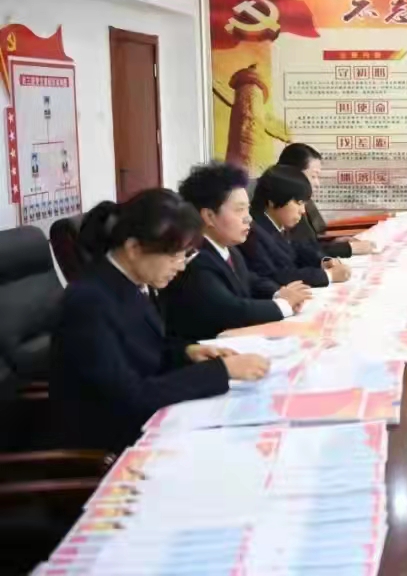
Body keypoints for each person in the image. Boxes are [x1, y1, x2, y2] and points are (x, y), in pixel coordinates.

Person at [52, 190, 270, 453]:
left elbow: (147, 348)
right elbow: (128, 397)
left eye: (186, 255)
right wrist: (220, 371)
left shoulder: (134, 283)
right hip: (112, 442)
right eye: (174, 256)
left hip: (151, 417)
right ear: (134, 249)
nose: (181, 266)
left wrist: (188, 352)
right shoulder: (89, 302)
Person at [160, 162, 311, 345]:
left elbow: (250, 280)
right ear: (209, 216)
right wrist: (283, 304)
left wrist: (279, 293)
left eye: (248, 209)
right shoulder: (195, 258)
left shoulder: (228, 248)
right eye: (239, 210)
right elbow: (231, 311)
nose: (249, 218)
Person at [241, 165, 351, 288]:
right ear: (272, 201)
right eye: (299, 203)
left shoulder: (278, 223)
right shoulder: (253, 233)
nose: (302, 211)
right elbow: (275, 276)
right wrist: (328, 275)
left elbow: (298, 251)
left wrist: (323, 262)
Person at [277, 143, 375, 258]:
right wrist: (348, 249)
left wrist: (334, 244)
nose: (317, 184)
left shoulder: (298, 199)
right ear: (293, 175)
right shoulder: (283, 205)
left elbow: (307, 245)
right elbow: (299, 255)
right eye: (313, 176)